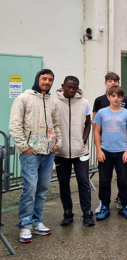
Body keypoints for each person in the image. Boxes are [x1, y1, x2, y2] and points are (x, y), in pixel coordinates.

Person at [9, 69, 62, 243]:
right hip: (30, 154)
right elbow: (15, 125)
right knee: (30, 189)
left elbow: (55, 124)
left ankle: (37, 221)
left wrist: (57, 144)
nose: (47, 82)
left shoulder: (52, 101)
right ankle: (25, 224)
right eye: (44, 78)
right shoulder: (23, 98)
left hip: (48, 153)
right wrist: (24, 147)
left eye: (50, 79)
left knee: (42, 189)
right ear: (37, 79)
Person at [54, 76, 95, 227]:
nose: (71, 90)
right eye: (69, 87)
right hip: (61, 152)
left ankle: (87, 213)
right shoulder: (54, 102)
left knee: (84, 182)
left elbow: (88, 124)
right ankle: (67, 213)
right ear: (63, 86)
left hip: (81, 152)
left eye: (75, 87)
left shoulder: (85, 103)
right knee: (63, 183)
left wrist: (83, 140)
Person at [93, 86, 127, 220]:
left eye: (118, 96)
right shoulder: (101, 112)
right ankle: (104, 206)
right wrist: (98, 150)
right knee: (104, 180)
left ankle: (126, 206)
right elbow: (96, 131)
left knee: (124, 180)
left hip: (122, 151)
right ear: (108, 97)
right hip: (106, 151)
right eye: (113, 96)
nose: (116, 98)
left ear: (122, 98)